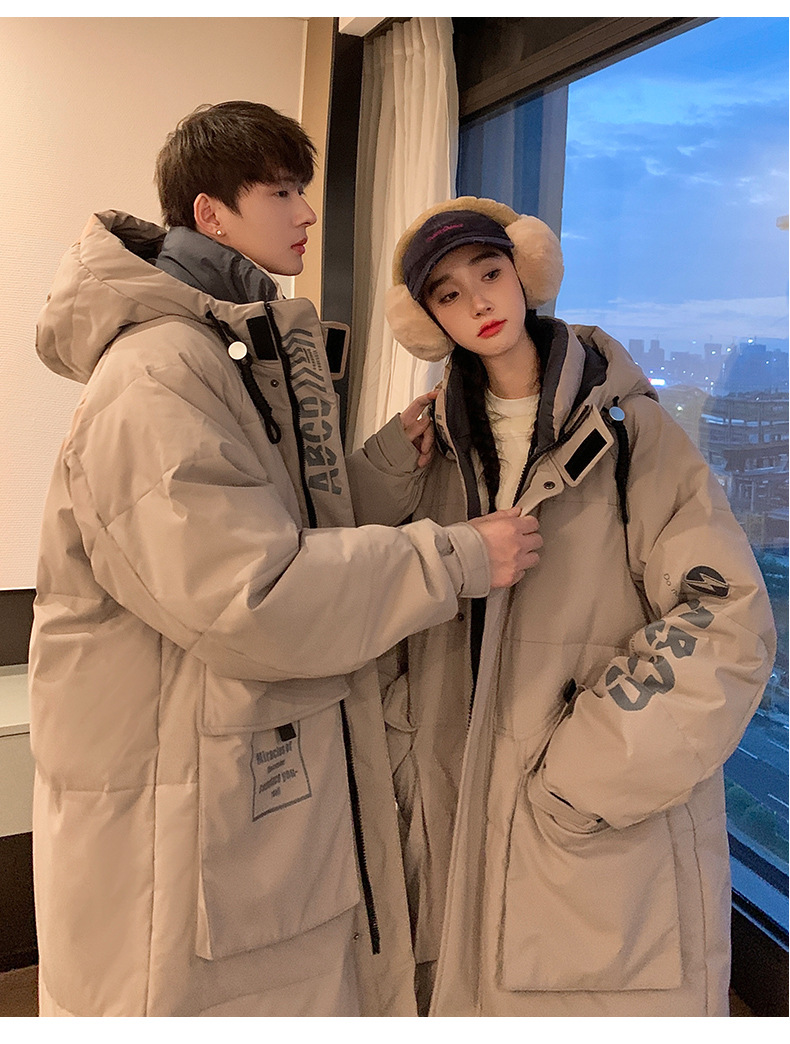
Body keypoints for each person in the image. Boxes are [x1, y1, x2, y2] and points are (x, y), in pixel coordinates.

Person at [27, 108, 540, 1018]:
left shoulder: (226, 352)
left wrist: (387, 464)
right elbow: (252, 595)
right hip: (179, 827)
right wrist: (458, 556)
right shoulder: (157, 374)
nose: (306, 212)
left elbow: (277, 529)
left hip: (224, 797)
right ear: (210, 213)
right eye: (281, 191)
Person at [367, 195, 777, 1016]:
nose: (479, 302)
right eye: (448, 293)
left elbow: (726, 618)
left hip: (584, 827)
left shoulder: (632, 435)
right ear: (430, 320)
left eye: (490, 272)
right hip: (446, 818)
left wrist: (583, 775)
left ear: (525, 274)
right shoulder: (430, 446)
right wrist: (384, 466)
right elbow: (353, 585)